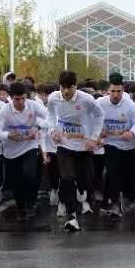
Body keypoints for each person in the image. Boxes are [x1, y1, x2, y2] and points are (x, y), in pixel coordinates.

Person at [47, 71, 104, 231]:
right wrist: (53, 130)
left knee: (84, 180)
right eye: (63, 87)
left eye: (70, 87)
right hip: (64, 145)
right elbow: (50, 114)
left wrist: (93, 138)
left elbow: (99, 115)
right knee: (66, 178)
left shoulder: (86, 99)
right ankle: (72, 217)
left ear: (76, 86)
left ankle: (82, 192)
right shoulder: (53, 98)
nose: (66, 91)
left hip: (83, 146)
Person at [0, 82, 47, 221]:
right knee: (16, 181)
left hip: (30, 145)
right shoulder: (5, 111)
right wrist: (8, 135)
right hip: (11, 150)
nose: (21, 102)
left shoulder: (33, 106)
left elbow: (50, 117)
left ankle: (30, 202)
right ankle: (21, 207)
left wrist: (37, 127)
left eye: (23, 98)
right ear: (11, 98)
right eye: (17, 99)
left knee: (30, 174)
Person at [96, 73, 135, 218]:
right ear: (108, 90)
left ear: (123, 91)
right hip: (110, 143)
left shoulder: (130, 106)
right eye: (113, 91)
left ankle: (129, 198)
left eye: (119, 91)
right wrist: (98, 132)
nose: (115, 95)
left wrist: (132, 132)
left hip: (127, 145)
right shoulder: (100, 103)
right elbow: (92, 120)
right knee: (112, 172)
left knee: (127, 175)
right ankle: (111, 202)